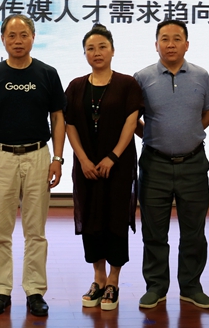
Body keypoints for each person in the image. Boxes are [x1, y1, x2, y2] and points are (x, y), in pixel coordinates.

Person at [0, 14, 66, 317]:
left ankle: (35, 290)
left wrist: (57, 158)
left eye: (23, 35)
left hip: (38, 155)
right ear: (2, 39)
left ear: (33, 37)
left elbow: (58, 118)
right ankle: (0, 290)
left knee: (35, 230)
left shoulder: (47, 73)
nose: (18, 41)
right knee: (0, 230)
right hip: (0, 157)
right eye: (12, 35)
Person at [134, 20, 209, 310]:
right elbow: (134, 120)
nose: (170, 44)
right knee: (154, 231)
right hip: (154, 164)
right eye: (164, 39)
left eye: (177, 38)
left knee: (194, 232)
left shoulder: (201, 76)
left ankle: (191, 287)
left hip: (193, 163)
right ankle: (156, 286)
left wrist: (187, 135)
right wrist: (156, 137)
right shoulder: (142, 77)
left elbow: (207, 114)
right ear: (156, 44)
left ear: (187, 44)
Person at [64, 24, 142, 311]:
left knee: (116, 219)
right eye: (90, 48)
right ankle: (97, 277)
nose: (96, 53)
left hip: (117, 165)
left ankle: (113, 280)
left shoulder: (127, 84)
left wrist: (113, 156)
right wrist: (83, 159)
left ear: (112, 50)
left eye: (102, 47)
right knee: (91, 218)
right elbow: (69, 124)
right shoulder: (75, 86)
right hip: (86, 166)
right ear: (84, 53)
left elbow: (131, 123)